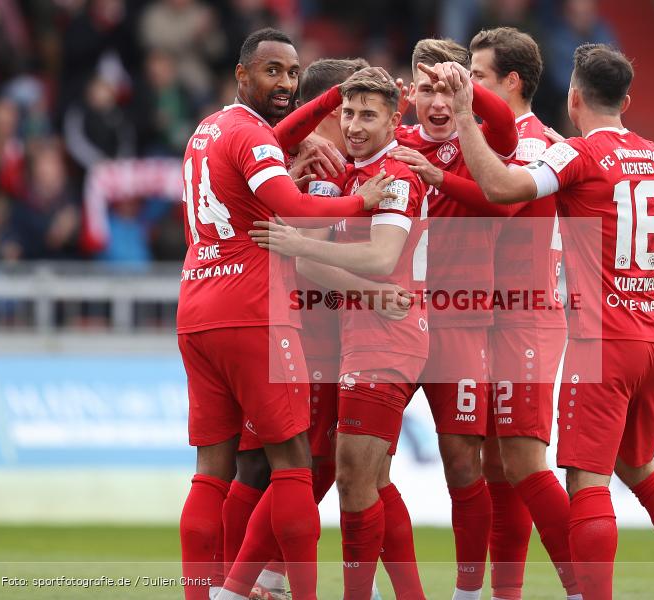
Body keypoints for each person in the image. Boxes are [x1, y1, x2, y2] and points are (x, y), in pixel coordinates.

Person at [430, 44, 654, 600]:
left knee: (587, 480)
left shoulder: (576, 154)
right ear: (625, 101)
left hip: (605, 338)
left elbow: (501, 189)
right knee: (637, 466)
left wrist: (467, 119)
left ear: (573, 99)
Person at [273, 38, 519, 600]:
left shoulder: (478, 142)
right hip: (380, 320)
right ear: (408, 98)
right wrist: (308, 144)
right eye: (427, 88)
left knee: (462, 464)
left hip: (453, 322)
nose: (438, 100)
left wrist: (463, 102)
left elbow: (504, 197)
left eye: (447, 89)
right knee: (362, 469)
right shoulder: (388, 146)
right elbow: (340, 139)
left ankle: (468, 592)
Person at [177, 28, 393, 600]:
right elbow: (292, 205)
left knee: (211, 472)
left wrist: (331, 96)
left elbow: (264, 162)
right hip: (253, 310)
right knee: (294, 464)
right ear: (241, 73)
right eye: (272, 71)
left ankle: (209, 592)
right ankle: (296, 590)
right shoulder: (252, 136)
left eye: (293, 74)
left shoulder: (206, 131)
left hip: (196, 307)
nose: (285, 83)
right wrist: (362, 202)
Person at [390, 27, 577, 600]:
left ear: (509, 82)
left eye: (475, 77)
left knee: (522, 463)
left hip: (524, 316)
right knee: (498, 469)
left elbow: (504, 203)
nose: (464, 87)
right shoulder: (494, 137)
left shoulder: (533, 140)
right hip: (484, 315)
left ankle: (585, 586)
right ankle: (504, 593)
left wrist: (439, 173)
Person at [251, 68, 429, 600]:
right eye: (348, 113)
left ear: (393, 121)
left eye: (368, 115)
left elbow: (382, 256)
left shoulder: (394, 176)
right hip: (362, 334)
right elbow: (311, 268)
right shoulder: (355, 176)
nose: (354, 125)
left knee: (351, 477)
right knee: (366, 479)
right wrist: (367, 292)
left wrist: (298, 244)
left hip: (390, 339)